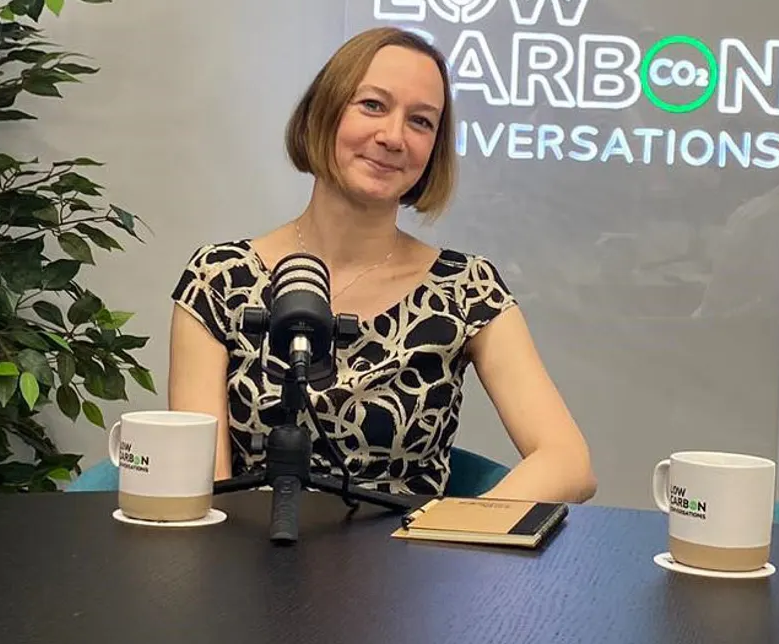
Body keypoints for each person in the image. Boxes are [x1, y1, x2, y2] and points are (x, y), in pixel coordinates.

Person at [168, 27, 594, 503]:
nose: (393, 137)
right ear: (321, 113)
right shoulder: (218, 278)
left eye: (421, 122)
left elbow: (568, 463)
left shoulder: (466, 288)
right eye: (372, 105)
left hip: (413, 548)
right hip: (247, 546)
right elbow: (201, 494)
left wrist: (455, 531)